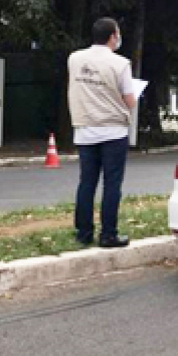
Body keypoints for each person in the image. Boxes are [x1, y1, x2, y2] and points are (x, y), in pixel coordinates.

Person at [67, 18, 137, 248]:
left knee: (86, 183)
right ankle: (108, 234)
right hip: (113, 131)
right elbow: (130, 100)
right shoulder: (121, 64)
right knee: (112, 184)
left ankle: (83, 233)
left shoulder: (75, 59)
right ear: (112, 36)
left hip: (85, 129)